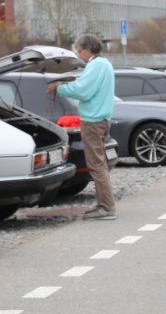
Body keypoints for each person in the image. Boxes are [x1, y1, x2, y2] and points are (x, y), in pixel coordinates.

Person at [48, 33, 117, 221]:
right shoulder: (104, 64)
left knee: (96, 165)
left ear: (87, 49)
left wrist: (59, 88)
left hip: (93, 121)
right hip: (101, 118)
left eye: (79, 50)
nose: (79, 54)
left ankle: (106, 207)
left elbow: (83, 91)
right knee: (99, 164)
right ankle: (105, 204)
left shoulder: (96, 65)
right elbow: (86, 87)